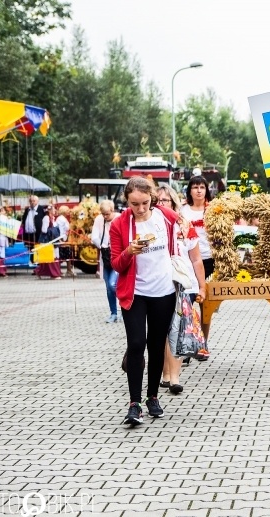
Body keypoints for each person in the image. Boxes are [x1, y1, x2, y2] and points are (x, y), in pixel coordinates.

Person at [110, 176, 181, 425]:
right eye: (134, 204)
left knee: (156, 343)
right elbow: (116, 264)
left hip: (163, 291)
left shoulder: (165, 217)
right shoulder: (119, 224)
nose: (140, 209)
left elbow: (183, 236)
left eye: (144, 203)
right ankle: (134, 403)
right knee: (137, 343)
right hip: (135, 293)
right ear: (127, 201)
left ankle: (152, 397)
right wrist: (129, 251)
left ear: (151, 198)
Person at [157, 183, 206, 395]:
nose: (161, 204)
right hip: (157, 285)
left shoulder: (184, 226)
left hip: (182, 285)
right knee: (161, 331)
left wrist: (202, 287)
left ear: (174, 203)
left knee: (176, 329)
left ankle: (174, 377)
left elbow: (196, 260)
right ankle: (165, 373)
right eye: (157, 201)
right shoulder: (147, 225)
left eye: (165, 201)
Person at [181, 175, 213, 357]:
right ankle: (187, 344)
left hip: (210, 260)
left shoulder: (213, 209)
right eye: (195, 187)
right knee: (188, 303)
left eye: (202, 187)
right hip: (188, 261)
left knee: (206, 306)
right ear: (190, 190)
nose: (199, 190)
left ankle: (203, 343)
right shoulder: (183, 210)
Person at [91, 200, 120, 323]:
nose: (105, 216)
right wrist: (103, 245)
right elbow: (94, 237)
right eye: (103, 214)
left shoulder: (119, 218)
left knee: (113, 284)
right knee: (108, 287)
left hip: (118, 257)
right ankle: (113, 313)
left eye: (107, 214)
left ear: (112, 210)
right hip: (105, 256)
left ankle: (124, 309)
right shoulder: (99, 219)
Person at [36, 204, 67, 280]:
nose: (55, 211)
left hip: (53, 240)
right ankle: (54, 274)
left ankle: (55, 272)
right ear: (49, 211)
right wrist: (53, 230)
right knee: (50, 257)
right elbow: (44, 230)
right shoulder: (46, 218)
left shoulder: (53, 218)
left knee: (55, 256)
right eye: (53, 209)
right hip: (47, 241)